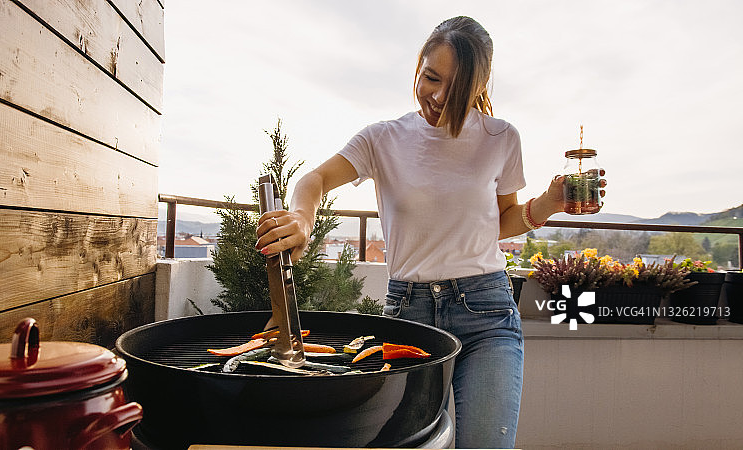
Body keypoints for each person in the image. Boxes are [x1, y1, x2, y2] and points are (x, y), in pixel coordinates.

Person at [255, 16, 605, 449]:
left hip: (486, 312)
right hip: (409, 314)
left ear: (479, 86)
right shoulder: (382, 138)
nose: (438, 97)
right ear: (419, 67)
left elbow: (501, 222)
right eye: (431, 78)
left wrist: (549, 202)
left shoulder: (500, 137)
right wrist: (302, 219)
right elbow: (315, 180)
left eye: (455, 88)